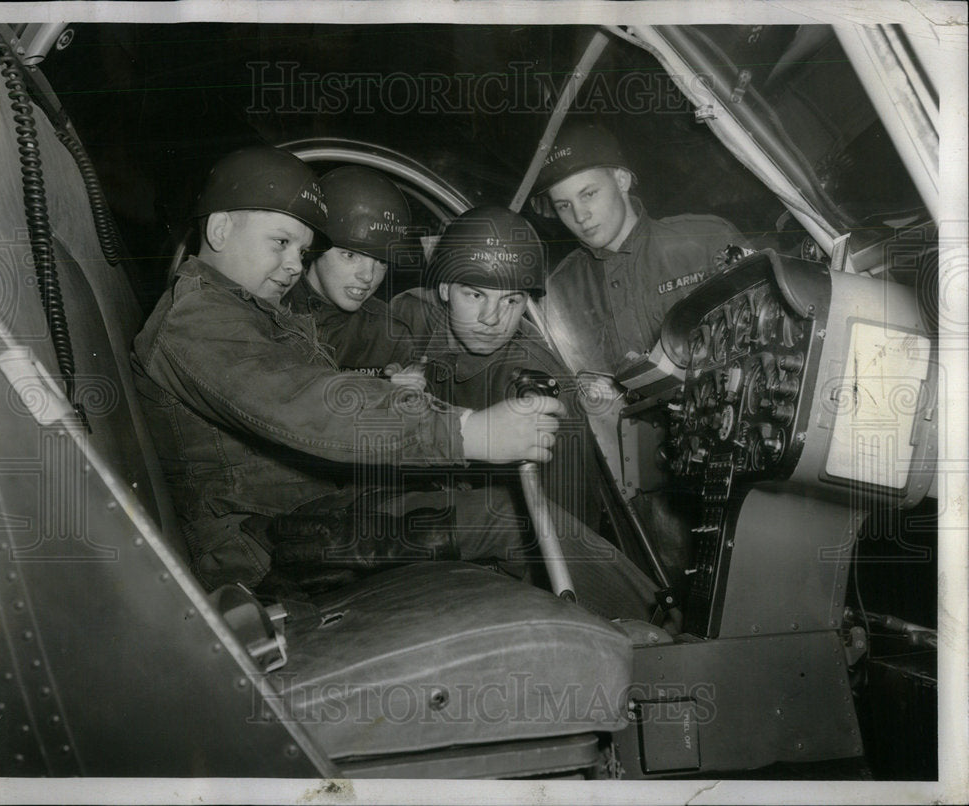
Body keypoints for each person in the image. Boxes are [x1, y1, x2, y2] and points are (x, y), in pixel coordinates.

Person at [130, 146, 563, 592]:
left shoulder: (246, 310)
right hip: (264, 552)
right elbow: (302, 402)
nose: (296, 263)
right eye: (281, 242)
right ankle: (625, 635)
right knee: (509, 521)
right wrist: (468, 431)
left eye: (302, 249)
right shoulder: (198, 320)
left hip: (310, 518)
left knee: (493, 513)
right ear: (220, 229)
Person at [377, 206, 661, 620]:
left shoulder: (539, 387)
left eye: (511, 300)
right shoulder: (417, 326)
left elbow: (564, 542)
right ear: (443, 291)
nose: (492, 320)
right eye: (475, 295)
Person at [533, 119, 748, 375]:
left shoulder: (705, 240)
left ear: (621, 180)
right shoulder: (560, 292)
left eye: (588, 194)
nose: (580, 216)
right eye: (564, 205)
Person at [285, 165, 412, 373]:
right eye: (350, 255)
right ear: (315, 246)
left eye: (381, 262)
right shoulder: (271, 307)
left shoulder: (390, 335)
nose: (368, 276)